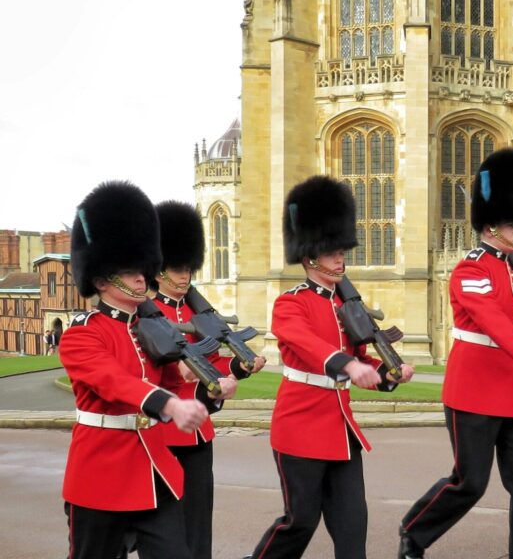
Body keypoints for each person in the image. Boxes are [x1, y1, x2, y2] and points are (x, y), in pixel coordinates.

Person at [399, 148, 513, 559]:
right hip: (474, 394)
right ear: (490, 224)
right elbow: (493, 324)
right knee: (470, 483)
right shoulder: (471, 269)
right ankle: (414, 531)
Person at [247, 175, 413, 559]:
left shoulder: (347, 306)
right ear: (310, 257)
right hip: (300, 427)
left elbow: (364, 359)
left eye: (342, 252)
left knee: (353, 527)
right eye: (332, 253)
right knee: (300, 522)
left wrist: (389, 373)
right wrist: (348, 365)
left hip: (341, 430)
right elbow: (307, 344)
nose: (341, 259)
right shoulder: (291, 303)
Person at [59, 181, 215, 558]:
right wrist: (169, 405)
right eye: (131, 273)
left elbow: (174, 380)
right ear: (101, 279)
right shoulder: (82, 333)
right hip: (101, 476)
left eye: (143, 269)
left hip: (153, 469)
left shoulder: (146, 329)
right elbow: (113, 381)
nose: (142, 278)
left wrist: (209, 386)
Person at [152, 200, 265, 559]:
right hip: (166, 431)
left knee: (199, 521)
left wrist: (242, 366)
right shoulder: (149, 315)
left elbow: (216, 362)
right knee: (164, 525)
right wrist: (187, 373)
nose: (184, 275)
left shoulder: (197, 312)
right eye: (177, 268)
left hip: (200, 431)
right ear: (158, 270)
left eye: (188, 268)